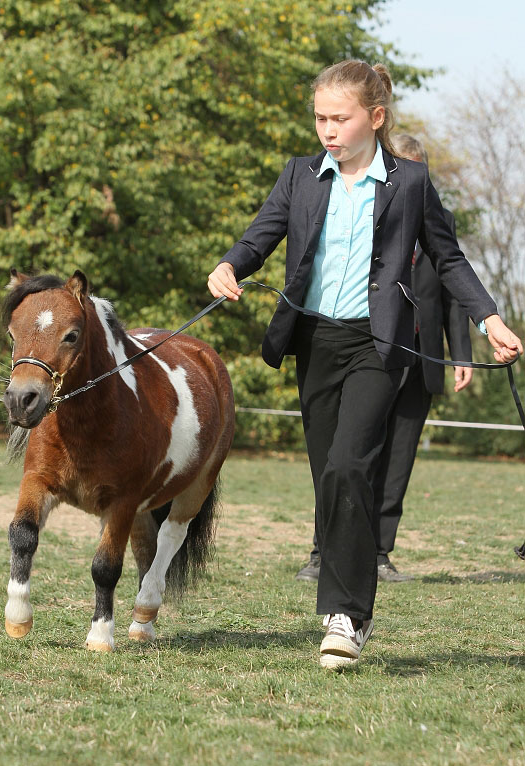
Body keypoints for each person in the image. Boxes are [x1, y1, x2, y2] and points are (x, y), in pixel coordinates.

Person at [207, 60, 522, 669]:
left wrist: (490, 319)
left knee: (353, 463)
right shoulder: (300, 176)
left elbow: (448, 258)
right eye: (320, 117)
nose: (327, 129)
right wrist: (229, 266)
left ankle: (348, 616)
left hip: (379, 346)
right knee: (330, 474)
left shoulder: (410, 183)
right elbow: (261, 236)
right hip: (317, 342)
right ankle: (341, 605)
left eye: (340, 118)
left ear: (374, 118)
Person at [296, 133, 475, 584]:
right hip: (369, 347)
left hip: (421, 359)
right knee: (347, 455)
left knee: (397, 460)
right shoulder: (361, 210)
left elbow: (453, 292)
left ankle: (379, 551)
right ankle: (324, 549)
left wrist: (463, 355)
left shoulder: (438, 218)